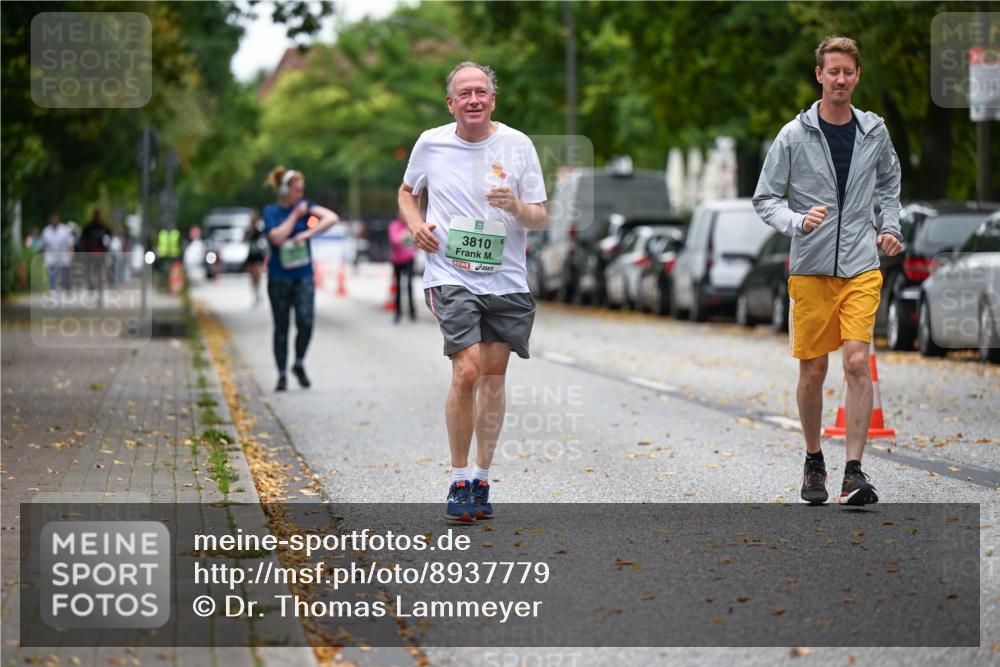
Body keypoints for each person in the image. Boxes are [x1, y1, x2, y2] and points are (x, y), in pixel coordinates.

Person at [753, 36, 904, 506]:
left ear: (858, 76)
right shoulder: (793, 136)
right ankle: (815, 457)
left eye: (849, 72)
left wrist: (890, 225)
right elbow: (765, 198)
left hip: (861, 263)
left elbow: (891, 182)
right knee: (814, 370)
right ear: (818, 75)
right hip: (811, 268)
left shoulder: (874, 132)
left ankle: (854, 472)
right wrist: (797, 222)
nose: (841, 79)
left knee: (857, 361)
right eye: (832, 71)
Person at [398, 62, 548, 523]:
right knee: (466, 371)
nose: (474, 100)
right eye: (464, 93)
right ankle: (458, 478)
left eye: (481, 92)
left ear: (492, 100)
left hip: (504, 279)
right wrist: (415, 226)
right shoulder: (431, 143)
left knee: (493, 378)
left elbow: (540, 216)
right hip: (450, 274)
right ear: (451, 103)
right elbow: (407, 192)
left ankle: (482, 477)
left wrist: (516, 206)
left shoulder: (518, 145)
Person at [263, 166, 340, 391]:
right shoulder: (271, 211)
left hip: (303, 275)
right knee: (281, 326)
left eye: (302, 191)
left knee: (306, 321)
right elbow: (276, 237)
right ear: (285, 190)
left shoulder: (305, 207)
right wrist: (295, 217)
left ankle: (298, 361)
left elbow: (331, 218)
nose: (300, 195)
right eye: (296, 190)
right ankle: (281, 373)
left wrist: (307, 233)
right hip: (279, 276)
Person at [388, 214, 417, 323]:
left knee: (410, 285)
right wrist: (405, 238)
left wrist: (404, 238)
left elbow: (415, 241)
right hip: (397, 260)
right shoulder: (394, 225)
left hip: (409, 258)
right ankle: (397, 313)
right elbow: (394, 240)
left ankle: (412, 312)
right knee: (398, 287)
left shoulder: (410, 225)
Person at [38, 213, 74, 293]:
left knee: (63, 272)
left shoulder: (65, 229)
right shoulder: (46, 231)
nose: (54, 221)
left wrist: (71, 252)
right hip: (50, 255)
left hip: (63, 255)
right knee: (52, 272)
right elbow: (42, 245)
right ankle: (53, 289)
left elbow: (70, 243)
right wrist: (41, 255)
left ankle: (64, 288)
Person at [244, 210, 267, 307]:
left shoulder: (259, 229)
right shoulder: (249, 230)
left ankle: (259, 294)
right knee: (252, 277)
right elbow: (244, 239)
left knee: (257, 275)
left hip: (258, 254)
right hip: (251, 254)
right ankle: (256, 295)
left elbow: (263, 238)